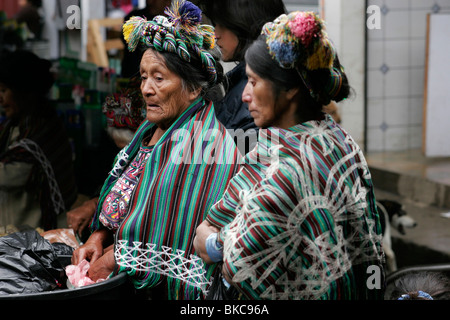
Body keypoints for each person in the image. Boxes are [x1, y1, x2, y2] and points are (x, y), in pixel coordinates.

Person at [194, 11, 385, 300]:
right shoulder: (339, 140)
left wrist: (215, 243)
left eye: (254, 82)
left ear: (291, 87)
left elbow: (237, 262)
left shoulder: (287, 171)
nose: (245, 95)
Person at [71, 0, 241, 300]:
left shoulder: (205, 145)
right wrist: (99, 235)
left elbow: (180, 235)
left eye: (159, 78)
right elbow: (131, 203)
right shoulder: (150, 132)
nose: (146, 88)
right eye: (144, 76)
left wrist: (113, 259)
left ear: (193, 88)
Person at [0, 49, 78, 231]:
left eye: (4, 90)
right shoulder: (13, 126)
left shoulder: (42, 129)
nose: (0, 98)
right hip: (16, 229)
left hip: (38, 232)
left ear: (24, 92)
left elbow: (10, 176)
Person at [198, 0, 287, 155]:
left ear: (244, 23)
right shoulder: (242, 80)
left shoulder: (255, 91)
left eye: (222, 24)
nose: (215, 34)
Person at [120, 0, 172, 78]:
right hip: (134, 76)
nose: (150, 2)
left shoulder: (173, 24)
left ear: (168, 2)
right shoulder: (135, 18)